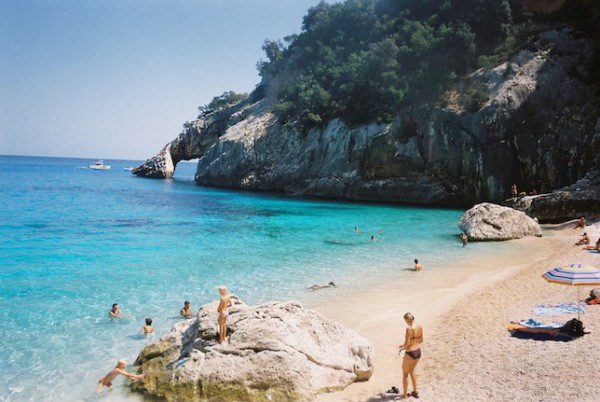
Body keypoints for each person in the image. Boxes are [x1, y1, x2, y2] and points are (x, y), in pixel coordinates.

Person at [398, 313, 423, 399]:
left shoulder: (408, 329)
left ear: (406, 320)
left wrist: (400, 346)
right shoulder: (419, 326)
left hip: (410, 353)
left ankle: (405, 395)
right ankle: (415, 391)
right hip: (418, 352)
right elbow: (421, 340)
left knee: (405, 374)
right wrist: (413, 341)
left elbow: (406, 345)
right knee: (412, 371)